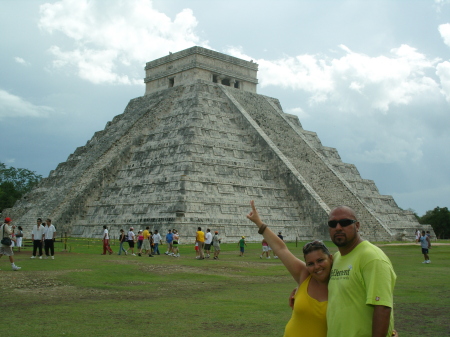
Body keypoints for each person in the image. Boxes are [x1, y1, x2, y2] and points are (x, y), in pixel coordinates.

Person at [247, 201, 330, 337]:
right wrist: (259, 223)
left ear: (331, 258)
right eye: (310, 263)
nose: (316, 267)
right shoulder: (305, 276)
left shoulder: (341, 283)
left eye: (320, 260)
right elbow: (281, 249)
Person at [327, 205, 396, 337]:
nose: (338, 227)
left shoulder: (372, 258)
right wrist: (300, 289)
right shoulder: (336, 258)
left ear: (357, 226)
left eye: (345, 222)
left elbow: (382, 307)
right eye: (332, 224)